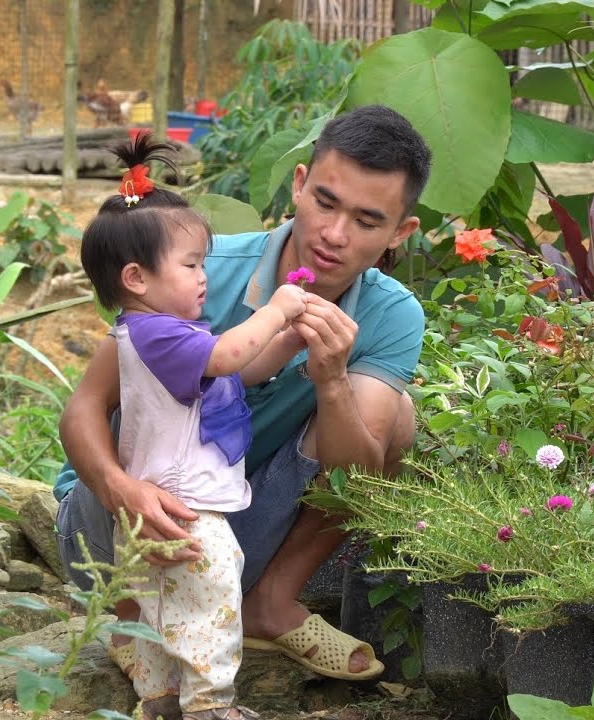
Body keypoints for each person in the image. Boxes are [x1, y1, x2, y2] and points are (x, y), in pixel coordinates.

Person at [55, 104, 432, 686]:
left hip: (226, 531)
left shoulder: (391, 314)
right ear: (300, 185)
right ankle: (128, 620)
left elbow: (361, 476)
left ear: (399, 233)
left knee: (393, 418)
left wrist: (330, 381)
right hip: (116, 529)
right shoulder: (194, 270)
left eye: (366, 220)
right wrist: (117, 486)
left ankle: (270, 602)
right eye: (325, 203)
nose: (334, 234)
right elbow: (86, 404)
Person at [76, 134, 310, 720]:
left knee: (163, 600)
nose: (204, 277)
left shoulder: (164, 334)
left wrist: (286, 340)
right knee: (212, 593)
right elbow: (229, 358)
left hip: (164, 497)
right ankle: (210, 704)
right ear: (135, 278)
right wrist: (276, 309)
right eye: (190, 264)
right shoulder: (156, 332)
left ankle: (158, 698)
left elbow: (244, 369)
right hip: (182, 503)